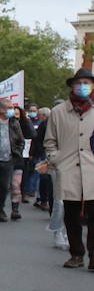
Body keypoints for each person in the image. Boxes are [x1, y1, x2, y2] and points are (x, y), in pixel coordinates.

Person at [43, 68, 94, 268]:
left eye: (87, 82)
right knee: (71, 215)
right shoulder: (58, 112)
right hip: (68, 168)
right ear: (72, 86)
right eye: (78, 82)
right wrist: (56, 159)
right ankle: (77, 254)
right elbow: (49, 141)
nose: (82, 86)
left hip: (92, 169)